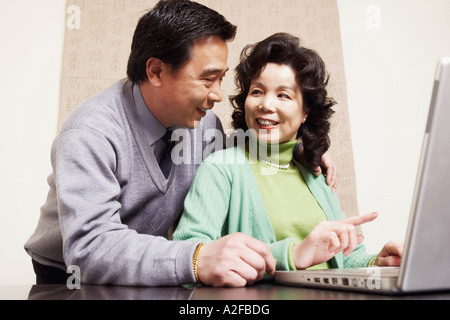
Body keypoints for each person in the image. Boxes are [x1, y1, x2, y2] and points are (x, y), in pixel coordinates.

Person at [24, 1, 336, 287]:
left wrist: (303, 150)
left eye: (221, 79)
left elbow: (239, 164)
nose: (217, 95)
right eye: (207, 79)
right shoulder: (91, 132)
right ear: (156, 71)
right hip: (69, 277)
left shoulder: (203, 124)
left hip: (152, 267)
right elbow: (90, 249)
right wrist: (196, 258)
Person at [173, 33, 403, 287]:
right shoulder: (221, 169)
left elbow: (345, 260)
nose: (266, 105)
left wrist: (377, 264)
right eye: (257, 91)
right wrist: (291, 256)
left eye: (283, 95)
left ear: (305, 112)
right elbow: (189, 260)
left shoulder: (315, 172)